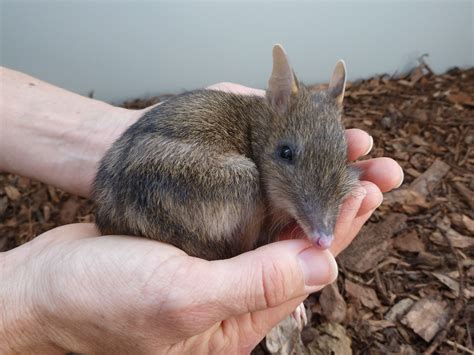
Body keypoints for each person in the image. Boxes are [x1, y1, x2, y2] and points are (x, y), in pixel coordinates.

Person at [0, 67, 403, 353]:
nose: (322, 230)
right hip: (171, 189)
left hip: (144, 188)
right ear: (277, 100)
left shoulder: (283, 131)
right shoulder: (257, 138)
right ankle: (235, 254)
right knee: (246, 181)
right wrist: (37, 303)